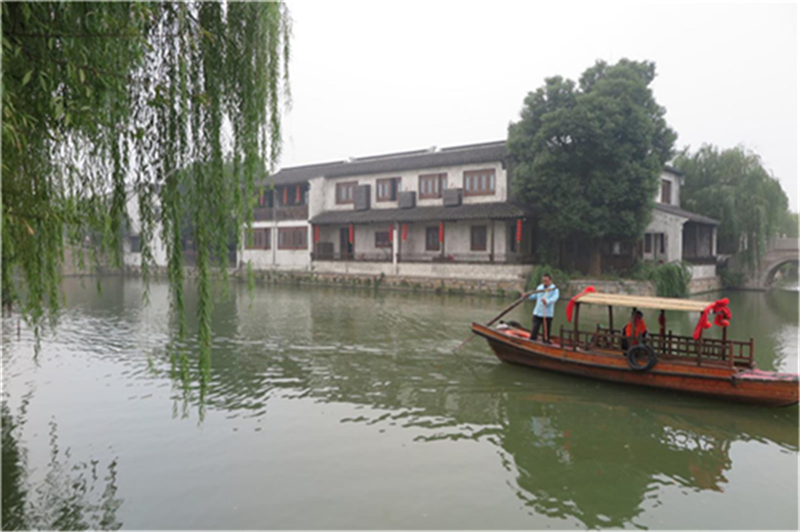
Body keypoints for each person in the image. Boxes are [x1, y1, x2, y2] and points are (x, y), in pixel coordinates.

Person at [528, 273, 560, 343]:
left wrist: (547, 301)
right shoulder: (540, 287)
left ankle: (546, 343)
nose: (544, 282)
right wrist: (527, 296)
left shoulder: (554, 289)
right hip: (537, 312)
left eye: (546, 281)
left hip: (547, 314)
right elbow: (535, 296)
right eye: (543, 281)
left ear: (550, 280)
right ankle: (531, 342)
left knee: (546, 334)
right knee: (534, 331)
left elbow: (555, 298)